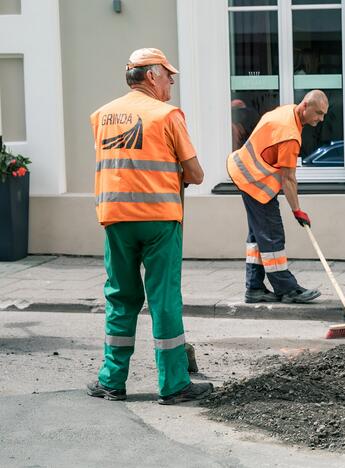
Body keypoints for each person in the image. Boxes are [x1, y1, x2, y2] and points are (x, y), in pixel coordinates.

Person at [87, 48, 213, 404]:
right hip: (159, 219)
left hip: (115, 218)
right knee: (164, 299)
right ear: (151, 76)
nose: (172, 80)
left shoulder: (101, 116)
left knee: (121, 298)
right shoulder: (167, 115)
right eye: (168, 74)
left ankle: (111, 381)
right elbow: (196, 174)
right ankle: (174, 385)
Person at [227, 90, 328, 304]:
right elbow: (288, 179)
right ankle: (287, 289)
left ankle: (254, 288)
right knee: (272, 235)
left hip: (245, 173)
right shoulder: (289, 134)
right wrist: (297, 211)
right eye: (318, 113)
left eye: (323, 114)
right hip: (255, 182)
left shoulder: (286, 112)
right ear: (305, 106)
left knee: (258, 236)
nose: (321, 119)